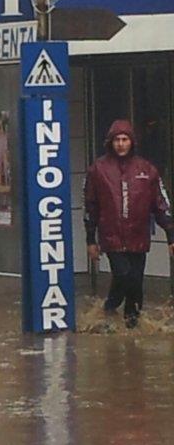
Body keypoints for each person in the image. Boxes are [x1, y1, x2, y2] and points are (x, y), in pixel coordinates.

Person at [84, 119, 174, 328]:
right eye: (117, 140)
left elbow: (161, 205)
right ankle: (109, 307)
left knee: (135, 282)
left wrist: (171, 236)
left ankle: (132, 326)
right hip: (111, 237)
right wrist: (91, 240)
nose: (121, 144)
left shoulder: (147, 170)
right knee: (123, 275)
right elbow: (90, 207)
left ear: (132, 142)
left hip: (138, 237)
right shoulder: (98, 170)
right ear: (110, 142)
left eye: (125, 139)